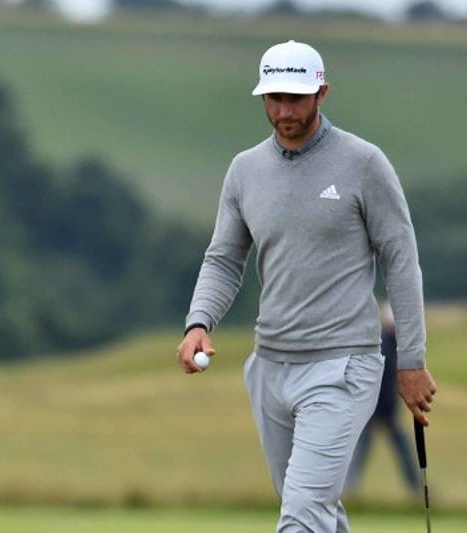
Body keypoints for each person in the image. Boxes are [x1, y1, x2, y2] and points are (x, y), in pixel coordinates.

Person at [174, 40, 437, 532]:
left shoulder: (364, 164)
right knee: (317, 513)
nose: (283, 111)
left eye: (295, 98)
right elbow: (224, 257)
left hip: (343, 365)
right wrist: (199, 321)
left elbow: (402, 262)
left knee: (301, 516)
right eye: (273, 99)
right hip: (271, 366)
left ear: (322, 93)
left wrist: (412, 361)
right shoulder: (245, 170)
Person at [345, 303, 421, 496]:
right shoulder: (383, 344)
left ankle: (415, 488)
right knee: (362, 450)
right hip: (375, 408)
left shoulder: (394, 343)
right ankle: (349, 488)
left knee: (398, 449)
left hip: (385, 409)